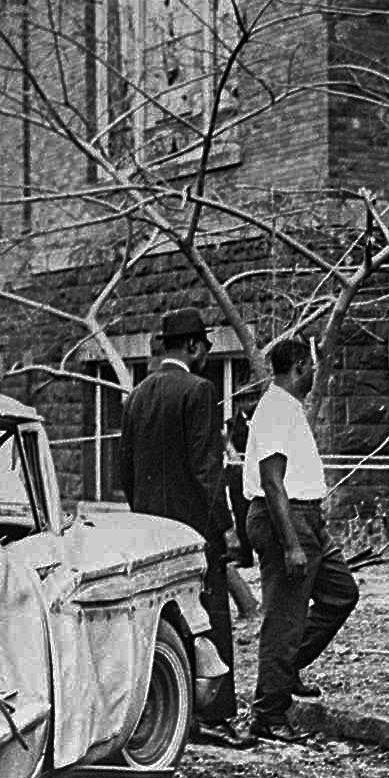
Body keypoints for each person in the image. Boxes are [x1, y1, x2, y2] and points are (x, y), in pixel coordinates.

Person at [120, 309, 252, 749]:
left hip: (148, 531)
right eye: (206, 348)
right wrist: (226, 528)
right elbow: (206, 469)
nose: (206, 356)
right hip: (193, 531)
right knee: (210, 619)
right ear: (193, 346)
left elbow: (125, 471)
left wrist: (144, 514)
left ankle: (174, 710)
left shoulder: (137, 395)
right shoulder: (199, 390)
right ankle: (213, 716)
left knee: (166, 621)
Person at [242, 336, 359, 742]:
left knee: (341, 594)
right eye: (310, 366)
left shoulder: (289, 407)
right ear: (296, 368)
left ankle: (286, 670)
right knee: (284, 620)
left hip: (309, 519)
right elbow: (272, 483)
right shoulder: (275, 408)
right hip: (286, 519)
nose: (314, 373)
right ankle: (269, 714)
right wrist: (291, 543)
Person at [224, 399, 255, 568]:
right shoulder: (233, 424)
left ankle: (247, 554)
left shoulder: (249, 425)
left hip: (246, 475)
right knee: (241, 516)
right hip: (237, 476)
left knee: (247, 516)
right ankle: (245, 554)